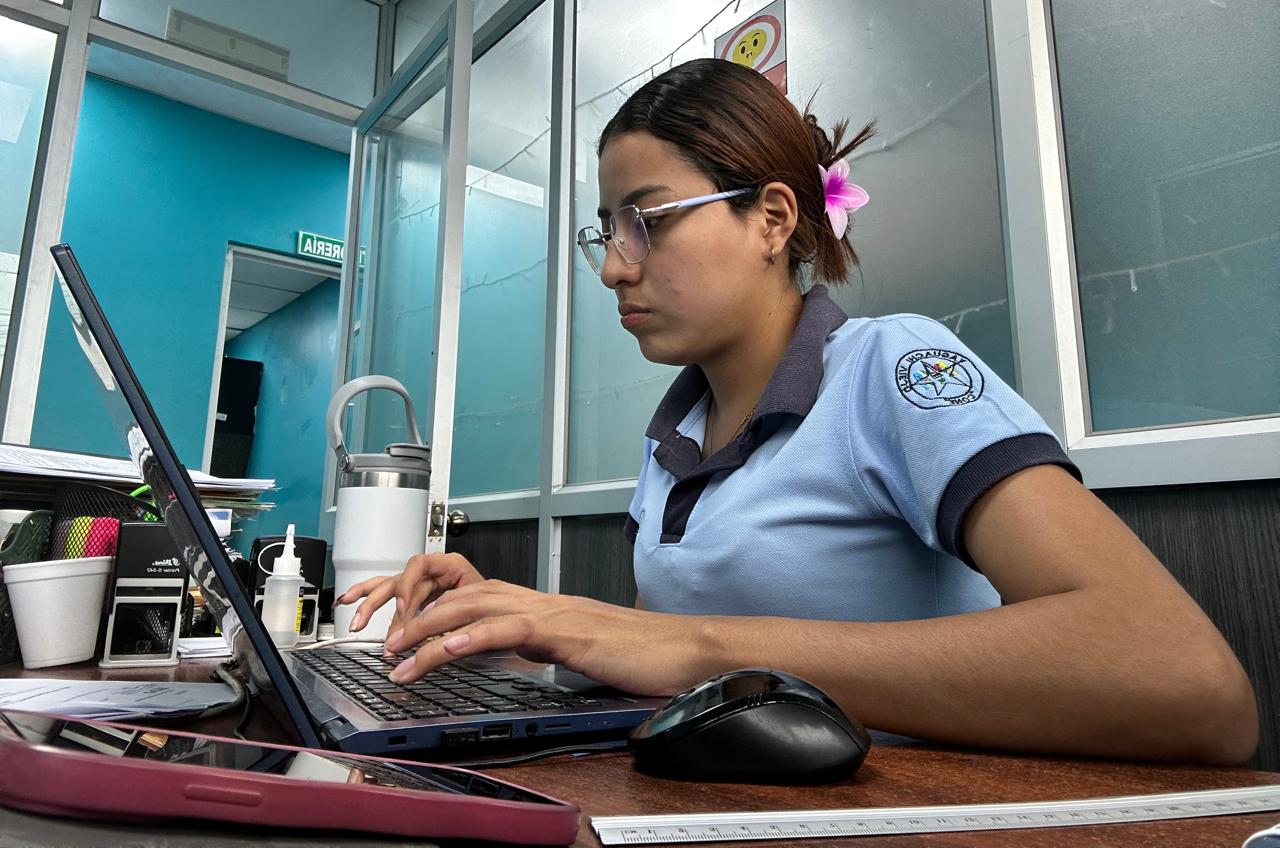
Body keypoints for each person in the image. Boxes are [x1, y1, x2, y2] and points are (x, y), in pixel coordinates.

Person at [336, 58, 1257, 764]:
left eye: (646, 222)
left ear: (773, 220)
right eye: (606, 231)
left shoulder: (890, 368)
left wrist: (689, 647)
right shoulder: (671, 441)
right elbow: (674, 667)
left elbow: (1187, 681)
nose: (615, 266)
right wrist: (511, 637)